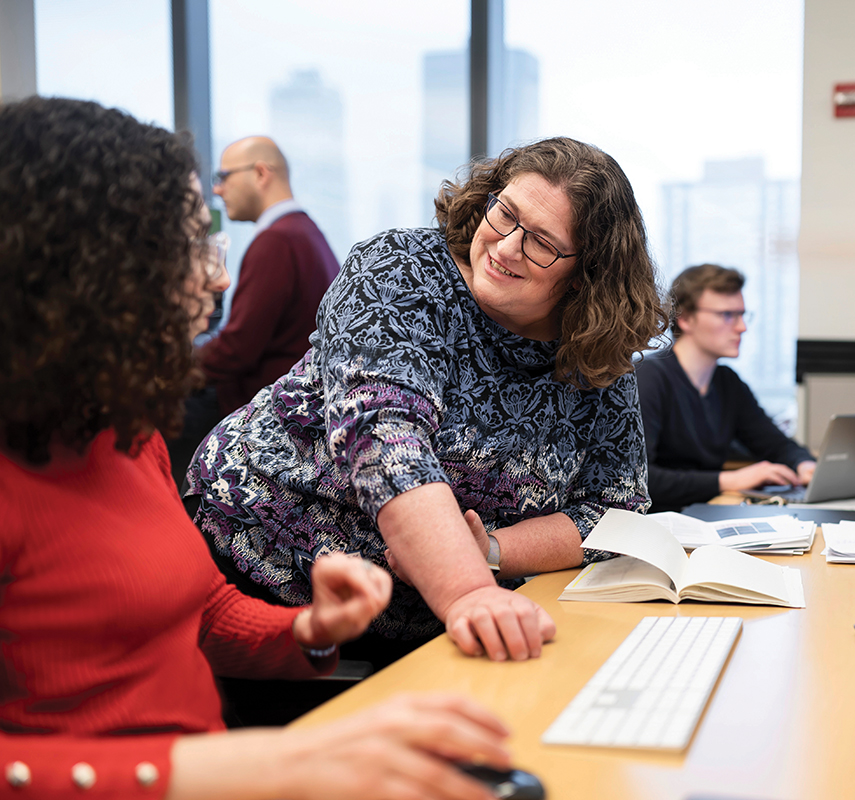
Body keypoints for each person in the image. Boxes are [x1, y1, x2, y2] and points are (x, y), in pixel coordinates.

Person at [0, 97, 512, 800]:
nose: (214, 277)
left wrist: (310, 628)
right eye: (189, 244)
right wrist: (253, 766)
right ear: (83, 270)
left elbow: (201, 611)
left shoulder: (124, 429)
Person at [185, 137, 668, 667]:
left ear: (588, 276)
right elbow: (387, 442)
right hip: (264, 566)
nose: (506, 247)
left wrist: (490, 552)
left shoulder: (595, 352)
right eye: (504, 214)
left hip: (432, 618)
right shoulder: (403, 270)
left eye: (542, 243)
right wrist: (468, 590)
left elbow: (614, 511)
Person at [165, 136, 340, 488]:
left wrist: (169, 369)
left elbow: (239, 348)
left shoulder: (278, 240)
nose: (217, 189)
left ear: (261, 173)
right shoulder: (307, 233)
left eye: (224, 176)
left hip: (262, 414)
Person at [636, 264, 816, 512]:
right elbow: (640, 479)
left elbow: (773, 442)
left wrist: (804, 464)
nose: (742, 327)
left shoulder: (726, 382)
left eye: (742, 315)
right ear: (686, 318)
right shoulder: (648, 377)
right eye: (727, 315)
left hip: (703, 513)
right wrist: (730, 480)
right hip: (658, 523)